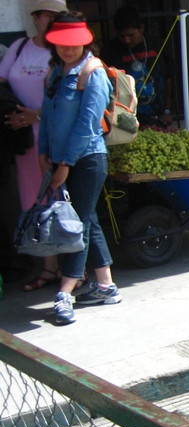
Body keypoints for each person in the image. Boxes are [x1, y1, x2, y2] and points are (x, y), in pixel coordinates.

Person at [39, 12, 122, 325]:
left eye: (73, 43)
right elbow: (47, 117)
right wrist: (42, 153)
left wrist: (65, 164)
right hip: (60, 160)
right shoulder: (54, 74)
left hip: (87, 160)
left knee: (77, 225)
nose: (68, 49)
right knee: (87, 219)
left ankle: (65, 292)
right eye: (61, 43)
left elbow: (88, 125)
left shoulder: (93, 71)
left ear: (85, 41)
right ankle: (106, 285)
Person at [0, 0, 68, 291]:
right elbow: (1, 82)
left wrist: (35, 115)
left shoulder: (65, 53)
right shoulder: (18, 48)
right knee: (37, 206)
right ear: (35, 18)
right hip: (26, 144)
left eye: (57, 17)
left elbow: (69, 101)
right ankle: (50, 267)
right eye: (46, 16)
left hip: (56, 142)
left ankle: (74, 271)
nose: (50, 21)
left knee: (63, 204)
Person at [100, 5, 173, 128]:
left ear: (141, 28)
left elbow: (169, 77)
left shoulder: (157, 44)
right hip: (125, 117)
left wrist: (167, 110)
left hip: (157, 116)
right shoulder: (110, 50)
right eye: (122, 36)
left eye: (131, 35)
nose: (127, 40)